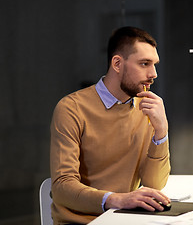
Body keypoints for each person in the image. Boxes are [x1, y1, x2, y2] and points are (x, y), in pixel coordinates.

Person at [50, 26, 171, 224]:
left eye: (154, 64)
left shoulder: (146, 107)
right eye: (144, 64)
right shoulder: (71, 108)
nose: (154, 73)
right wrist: (116, 199)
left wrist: (161, 132)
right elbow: (62, 188)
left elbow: (154, 183)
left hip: (126, 218)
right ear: (117, 63)